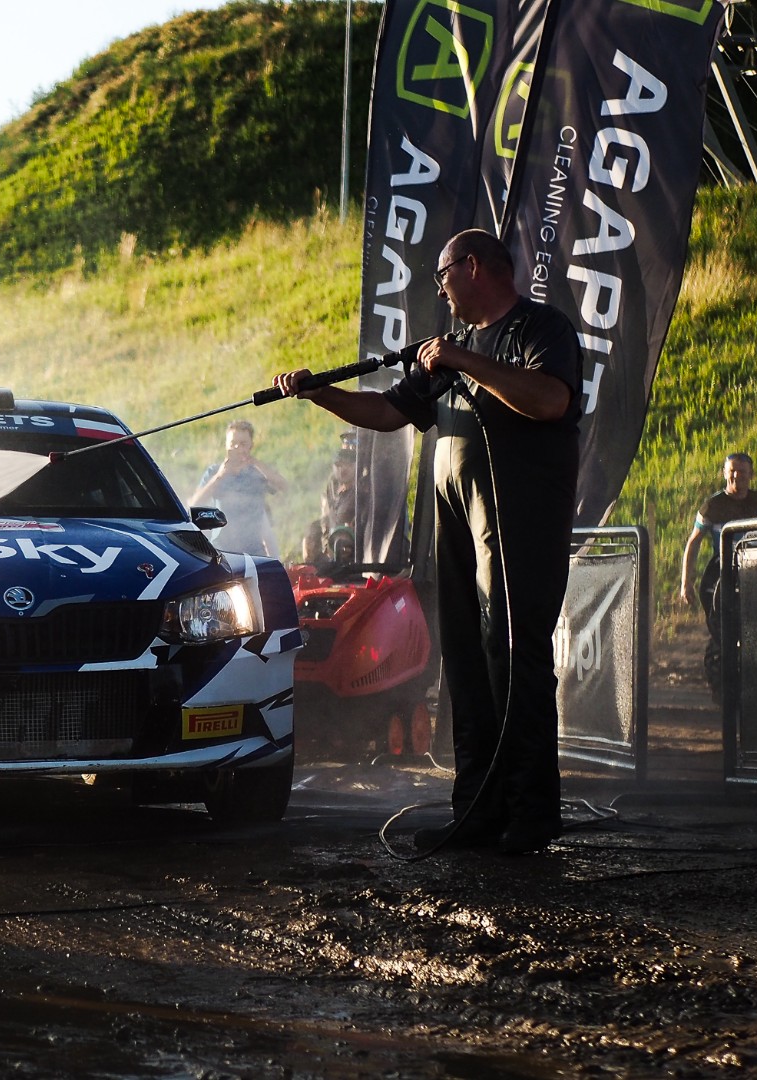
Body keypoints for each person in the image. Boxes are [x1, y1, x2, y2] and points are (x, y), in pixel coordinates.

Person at [274, 229, 582, 855]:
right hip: (457, 525)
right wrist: (318, 393)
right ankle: (476, 810)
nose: (439, 291)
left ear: (473, 267)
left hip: (516, 525)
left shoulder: (539, 329)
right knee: (464, 660)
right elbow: (388, 412)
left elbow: (551, 399)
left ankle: (530, 812)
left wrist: (464, 361)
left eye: (442, 276)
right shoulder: (455, 348)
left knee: (513, 658)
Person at [679, 453, 757, 702]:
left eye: (742, 471)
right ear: (724, 473)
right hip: (722, 577)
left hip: (755, 574)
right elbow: (694, 542)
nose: (736, 476)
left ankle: (756, 689)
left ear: (751, 474)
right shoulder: (713, 505)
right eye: (732, 470)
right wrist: (686, 582)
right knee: (722, 636)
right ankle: (722, 691)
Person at [189, 419, 287, 558]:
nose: (237, 448)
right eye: (233, 443)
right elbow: (194, 504)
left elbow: (283, 486)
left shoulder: (257, 472)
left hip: (254, 551)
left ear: (251, 445)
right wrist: (220, 475)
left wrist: (256, 463)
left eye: (243, 444)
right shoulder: (214, 472)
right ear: (226, 445)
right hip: (221, 551)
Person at [301, 447, 359, 566]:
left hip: (351, 546)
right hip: (331, 544)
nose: (342, 469)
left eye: (348, 464)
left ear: (356, 466)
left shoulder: (361, 491)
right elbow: (326, 517)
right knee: (311, 531)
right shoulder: (333, 487)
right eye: (338, 465)